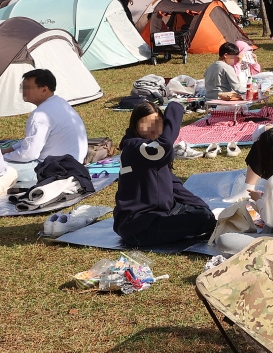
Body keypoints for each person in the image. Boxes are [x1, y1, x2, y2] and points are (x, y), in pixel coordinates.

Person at [111, 101, 214, 248]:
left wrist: (201, 205)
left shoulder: (149, 147)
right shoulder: (135, 147)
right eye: (146, 124)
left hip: (161, 212)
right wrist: (175, 108)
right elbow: (164, 145)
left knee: (203, 214)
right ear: (135, 126)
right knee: (202, 219)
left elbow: (174, 185)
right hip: (138, 227)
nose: (153, 128)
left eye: (157, 123)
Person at [2, 70, 88, 169]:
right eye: (22, 87)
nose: (23, 91)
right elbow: (31, 141)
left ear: (44, 90)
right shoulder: (61, 103)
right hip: (74, 162)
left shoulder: (40, 115)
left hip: (54, 168)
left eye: (27, 88)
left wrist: (4, 157)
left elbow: (28, 154)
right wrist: (8, 150)